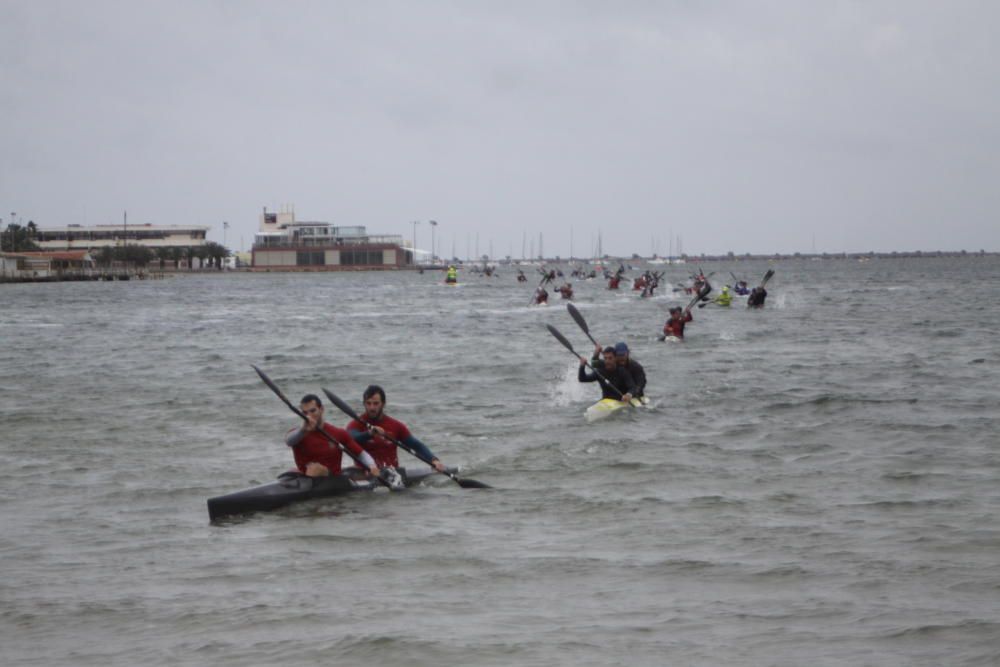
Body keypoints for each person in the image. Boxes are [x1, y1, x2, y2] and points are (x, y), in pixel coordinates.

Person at [346, 385, 447, 472]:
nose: (372, 408)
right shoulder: (355, 424)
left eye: (376, 403)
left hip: (393, 474)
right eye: (368, 403)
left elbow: (416, 446)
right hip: (366, 473)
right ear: (364, 404)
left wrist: (434, 460)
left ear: (383, 404)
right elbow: (350, 439)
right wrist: (369, 434)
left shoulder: (396, 426)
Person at [285, 394, 379, 478]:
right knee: (296, 471)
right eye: (305, 413)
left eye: (312, 411)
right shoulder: (298, 433)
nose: (309, 416)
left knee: (315, 469)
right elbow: (289, 441)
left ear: (321, 409)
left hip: (333, 480)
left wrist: (372, 466)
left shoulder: (338, 433)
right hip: (306, 478)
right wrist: (303, 430)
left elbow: (361, 454)